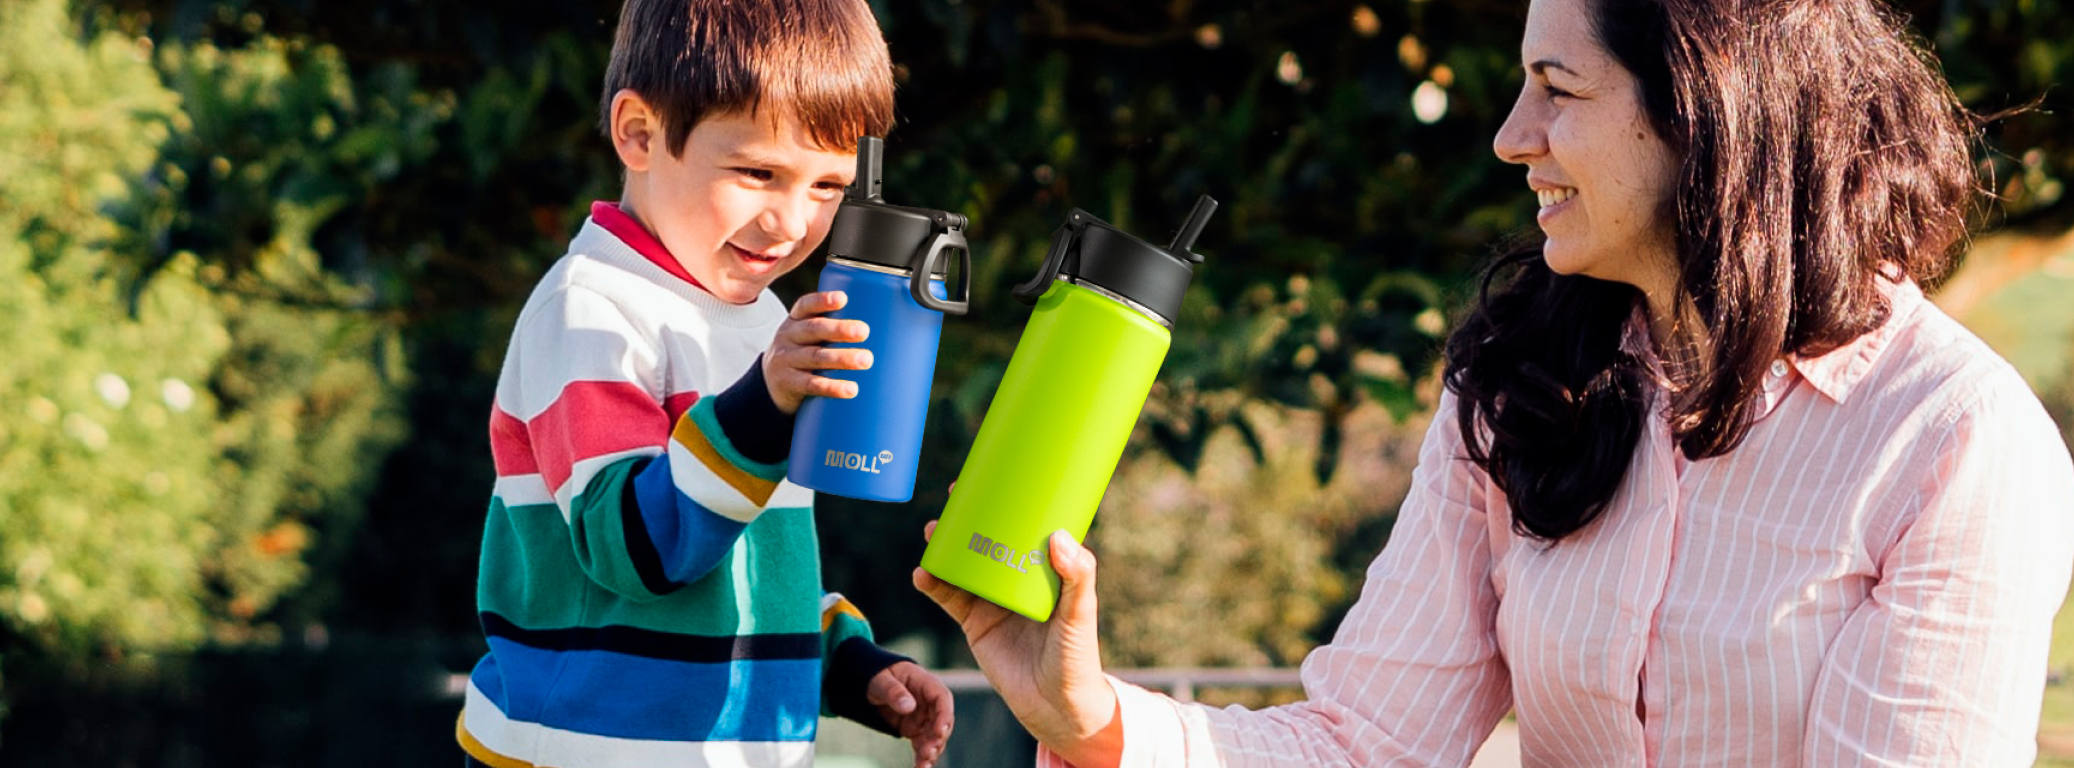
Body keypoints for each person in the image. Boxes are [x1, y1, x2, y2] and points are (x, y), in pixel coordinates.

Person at [915, 0, 2074, 764]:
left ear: (1710, 113)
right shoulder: (1522, 381)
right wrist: (1093, 717)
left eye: (1558, 89)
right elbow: (1370, 744)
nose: (1512, 136)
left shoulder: (1952, 441)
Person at [456, 2, 953, 767]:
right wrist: (762, 406)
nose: (792, 222)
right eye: (759, 173)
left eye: (828, 186)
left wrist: (846, 662)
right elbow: (632, 551)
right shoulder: (591, 310)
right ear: (639, 134)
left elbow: (740, 566)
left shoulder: (762, 321)